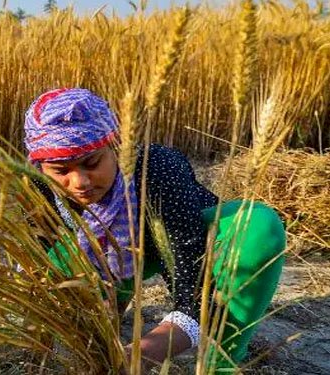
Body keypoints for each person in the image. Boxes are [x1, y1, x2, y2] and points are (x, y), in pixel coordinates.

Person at [23, 88, 286, 371]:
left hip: (189, 245)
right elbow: (39, 262)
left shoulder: (159, 170)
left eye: (91, 163)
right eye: (61, 171)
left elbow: (193, 295)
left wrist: (139, 357)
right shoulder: (36, 185)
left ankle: (223, 356)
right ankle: (111, 302)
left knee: (259, 227)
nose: (80, 182)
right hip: (114, 257)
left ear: (117, 145)